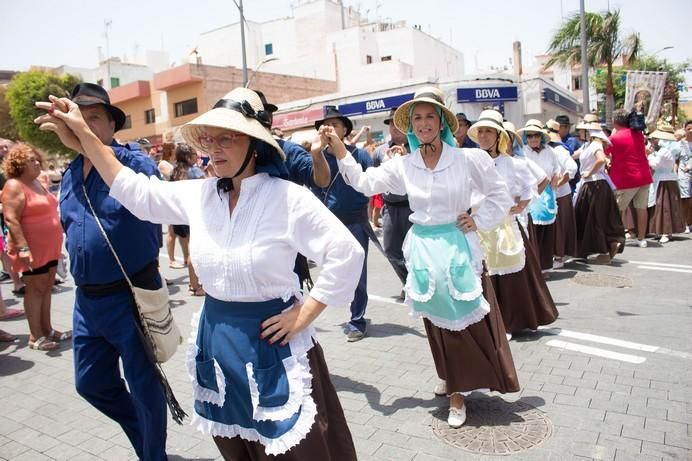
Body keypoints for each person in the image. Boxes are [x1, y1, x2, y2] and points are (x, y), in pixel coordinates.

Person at [38, 86, 363, 460]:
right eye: (211, 140)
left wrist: (306, 311)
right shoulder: (202, 194)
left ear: (254, 144)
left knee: (294, 450)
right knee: (239, 448)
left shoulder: (287, 198)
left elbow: (345, 252)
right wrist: (85, 141)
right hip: (219, 345)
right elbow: (136, 193)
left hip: (273, 347)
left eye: (228, 138)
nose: (216, 148)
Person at [333, 86, 519, 428]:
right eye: (416, 118)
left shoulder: (467, 159)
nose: (423, 123)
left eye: (429, 116)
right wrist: (340, 150)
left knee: (465, 320)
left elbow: (500, 194)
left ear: (442, 121)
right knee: (435, 322)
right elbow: (363, 181)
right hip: (422, 250)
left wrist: (477, 220)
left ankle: (460, 390)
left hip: (458, 248)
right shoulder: (405, 165)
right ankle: (451, 382)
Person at [36, 82, 169, 460]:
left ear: (112, 125)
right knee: (90, 383)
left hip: (130, 294)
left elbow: (150, 212)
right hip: (87, 300)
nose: (84, 125)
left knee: (144, 384)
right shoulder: (72, 172)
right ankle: (143, 434)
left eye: (93, 118)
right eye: (78, 118)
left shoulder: (133, 163)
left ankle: (152, 454)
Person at [468, 111, 557, 338]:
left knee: (506, 278)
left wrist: (520, 206)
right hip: (476, 224)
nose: (484, 135)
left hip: (503, 224)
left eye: (489, 131)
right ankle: (483, 323)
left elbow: (531, 186)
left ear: (499, 135)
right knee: (479, 274)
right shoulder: (469, 161)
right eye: (481, 131)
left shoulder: (512, 164)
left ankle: (506, 323)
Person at [312, 105, 374, 342]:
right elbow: (314, 189)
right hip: (328, 225)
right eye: (325, 126)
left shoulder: (359, 156)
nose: (329, 129)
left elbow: (371, 184)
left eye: (335, 125)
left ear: (345, 129)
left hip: (355, 223)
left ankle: (357, 320)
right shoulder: (318, 157)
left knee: (358, 272)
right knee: (333, 271)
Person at [0, 143, 67, 351]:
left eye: (36, 158)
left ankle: (48, 329)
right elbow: (11, 219)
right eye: (31, 160)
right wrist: (23, 248)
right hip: (30, 248)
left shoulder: (37, 182)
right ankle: (35, 336)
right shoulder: (14, 185)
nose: (37, 162)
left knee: (47, 287)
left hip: (49, 246)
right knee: (35, 290)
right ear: (19, 164)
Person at [372, 107, 413, 291]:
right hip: (390, 207)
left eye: (398, 125)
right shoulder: (380, 152)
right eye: (391, 125)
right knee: (390, 249)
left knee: (415, 250)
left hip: (413, 207)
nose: (394, 129)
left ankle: (418, 285)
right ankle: (409, 283)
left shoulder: (418, 150)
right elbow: (373, 175)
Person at [573, 127, 624, 264]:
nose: (579, 133)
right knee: (595, 217)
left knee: (595, 218)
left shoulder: (595, 144)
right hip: (594, 185)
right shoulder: (587, 145)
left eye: (582, 130)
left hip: (594, 185)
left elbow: (601, 159)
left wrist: (589, 172)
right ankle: (610, 243)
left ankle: (604, 253)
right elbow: (573, 155)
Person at [518, 120, 561, 272]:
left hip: (547, 194)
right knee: (532, 231)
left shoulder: (550, 151)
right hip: (530, 193)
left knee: (547, 232)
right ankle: (535, 268)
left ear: (541, 136)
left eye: (536, 135)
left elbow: (557, 169)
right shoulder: (522, 152)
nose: (533, 139)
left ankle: (546, 267)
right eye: (529, 136)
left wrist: (556, 177)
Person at [607, 108, 653, 248]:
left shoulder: (614, 138)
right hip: (644, 176)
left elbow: (605, 153)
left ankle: (616, 238)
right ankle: (641, 238)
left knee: (617, 210)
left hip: (626, 179)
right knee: (641, 208)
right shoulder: (638, 134)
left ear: (615, 121)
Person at [170, 143, 206, 294]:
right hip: (195, 213)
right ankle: (195, 285)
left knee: (191, 248)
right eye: (193, 155)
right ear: (187, 157)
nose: (196, 157)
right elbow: (207, 187)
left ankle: (193, 283)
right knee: (195, 251)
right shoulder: (195, 171)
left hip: (180, 214)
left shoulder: (174, 172)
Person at [545, 119, 578, 268]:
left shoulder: (558, 150)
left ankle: (559, 256)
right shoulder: (550, 150)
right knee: (557, 226)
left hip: (559, 194)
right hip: (556, 194)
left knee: (558, 227)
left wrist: (558, 184)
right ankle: (558, 255)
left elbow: (571, 169)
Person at [647, 125, 685, 243]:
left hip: (665, 180)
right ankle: (662, 230)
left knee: (665, 207)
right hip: (662, 179)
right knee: (661, 206)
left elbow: (655, 164)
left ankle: (666, 232)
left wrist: (648, 155)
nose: (652, 141)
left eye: (655, 139)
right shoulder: (664, 150)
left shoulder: (664, 151)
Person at [677, 120, 692, 233]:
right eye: (688, 129)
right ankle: (685, 223)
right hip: (683, 174)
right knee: (685, 198)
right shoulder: (680, 144)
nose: (691, 131)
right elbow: (676, 160)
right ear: (685, 130)